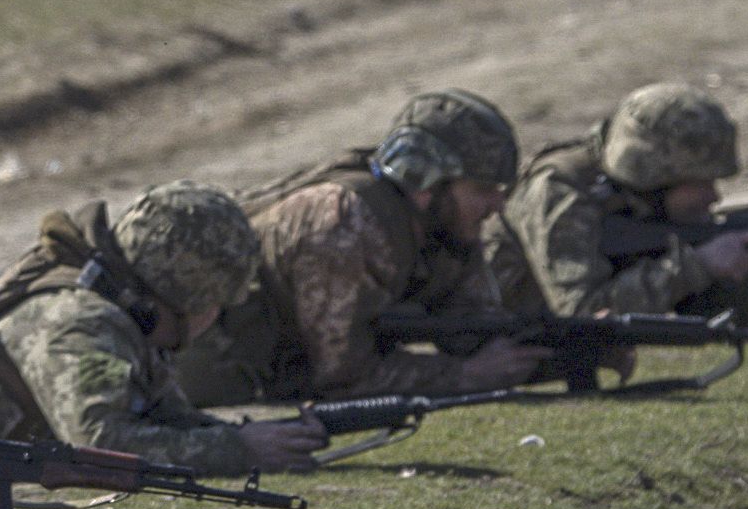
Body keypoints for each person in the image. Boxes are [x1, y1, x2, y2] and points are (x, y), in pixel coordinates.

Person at [0, 181, 325, 474]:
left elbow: (161, 420)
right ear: (186, 297)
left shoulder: (117, 313)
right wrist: (239, 449)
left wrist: (261, 438)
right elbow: (98, 446)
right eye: (217, 301)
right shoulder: (81, 322)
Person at [175, 89, 548, 406]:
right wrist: (468, 376)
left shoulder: (444, 226)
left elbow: (474, 324)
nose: (497, 206)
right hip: (212, 365)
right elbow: (343, 378)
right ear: (426, 184)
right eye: (483, 191)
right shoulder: (344, 223)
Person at [485, 81, 748, 324]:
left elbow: (715, 313)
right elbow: (583, 314)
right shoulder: (560, 188)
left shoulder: (648, 211)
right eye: (700, 183)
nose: (714, 196)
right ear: (653, 178)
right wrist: (697, 265)